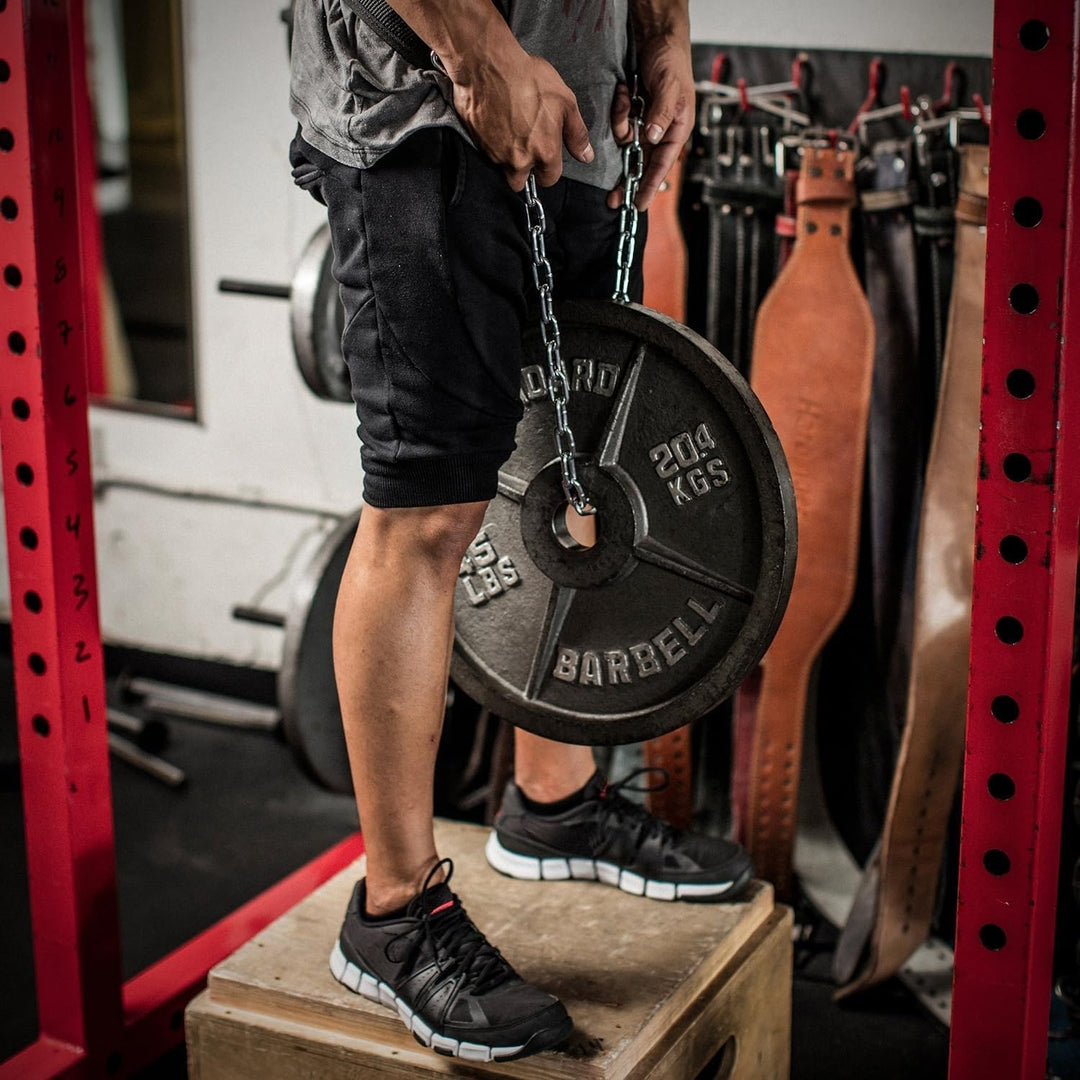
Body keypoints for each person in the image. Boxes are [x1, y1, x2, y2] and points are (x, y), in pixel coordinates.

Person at [288, 0, 754, 1062]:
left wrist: (665, 37)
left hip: (577, 116)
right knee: (430, 509)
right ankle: (394, 914)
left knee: (565, 474)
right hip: (423, 114)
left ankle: (555, 806)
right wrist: (478, 48)